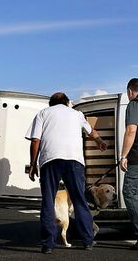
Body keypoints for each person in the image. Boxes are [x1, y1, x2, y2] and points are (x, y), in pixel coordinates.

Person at [26, 92, 107, 254]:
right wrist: (100, 142)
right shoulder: (77, 114)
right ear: (66, 102)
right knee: (79, 200)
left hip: (50, 160)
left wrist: (33, 164)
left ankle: (48, 244)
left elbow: (36, 140)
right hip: (74, 161)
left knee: (48, 201)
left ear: (51, 103)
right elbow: (91, 131)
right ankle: (87, 241)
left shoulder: (43, 113)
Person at [120, 78, 138, 250]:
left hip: (137, 160)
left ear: (130, 91)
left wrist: (124, 155)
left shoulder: (134, 104)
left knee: (129, 192)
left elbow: (131, 130)